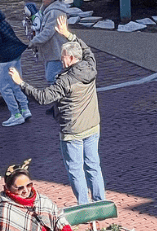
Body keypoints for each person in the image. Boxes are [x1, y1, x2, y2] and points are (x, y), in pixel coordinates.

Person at [10, 14, 105, 205]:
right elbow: (86, 50)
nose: (60, 60)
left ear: (71, 58)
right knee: (93, 166)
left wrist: (21, 83)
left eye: (63, 57)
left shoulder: (65, 81)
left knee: (76, 169)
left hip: (73, 131)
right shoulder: (90, 67)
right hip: (93, 126)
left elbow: (43, 98)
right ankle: (100, 201)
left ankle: (84, 206)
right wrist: (68, 35)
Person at [28, 0, 74, 114]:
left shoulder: (55, 12)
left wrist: (34, 42)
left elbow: (48, 32)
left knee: (52, 77)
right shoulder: (48, 10)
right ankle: (58, 105)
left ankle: (63, 104)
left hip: (57, 50)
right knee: (53, 77)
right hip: (52, 49)